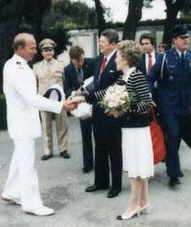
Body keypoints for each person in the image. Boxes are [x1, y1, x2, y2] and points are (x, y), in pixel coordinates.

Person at [1, 33, 78, 216]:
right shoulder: (17, 68)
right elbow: (32, 99)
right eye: (32, 47)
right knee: (27, 164)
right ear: (20, 48)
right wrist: (60, 105)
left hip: (21, 122)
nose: (36, 50)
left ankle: (10, 192)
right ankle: (31, 204)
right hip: (22, 124)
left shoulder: (17, 65)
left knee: (19, 159)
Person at [86, 40, 154, 220]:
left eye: (117, 56)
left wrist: (126, 109)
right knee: (137, 166)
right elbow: (108, 92)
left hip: (137, 129)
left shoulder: (136, 76)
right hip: (129, 128)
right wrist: (85, 96)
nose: (115, 59)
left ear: (125, 58)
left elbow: (146, 103)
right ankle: (144, 202)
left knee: (135, 168)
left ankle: (133, 206)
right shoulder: (124, 76)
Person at [149, 24, 191, 187]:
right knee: (174, 134)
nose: (186, 40)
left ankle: (171, 163)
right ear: (174, 40)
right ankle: (174, 174)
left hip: (184, 106)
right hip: (168, 106)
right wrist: (149, 95)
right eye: (182, 38)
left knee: (177, 139)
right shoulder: (164, 58)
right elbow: (151, 77)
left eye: (187, 38)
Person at [85, 29, 123, 198]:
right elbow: (97, 82)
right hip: (98, 110)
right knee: (99, 146)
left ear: (113, 44)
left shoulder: (119, 59)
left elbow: (117, 87)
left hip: (113, 110)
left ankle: (116, 185)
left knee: (114, 149)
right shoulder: (100, 58)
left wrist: (93, 95)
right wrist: (87, 94)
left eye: (102, 41)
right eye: (99, 41)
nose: (99, 44)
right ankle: (100, 182)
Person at [33, 38, 69, 161]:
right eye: (45, 50)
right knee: (46, 125)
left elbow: (66, 82)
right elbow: (35, 84)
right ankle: (48, 151)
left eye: (50, 49)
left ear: (54, 51)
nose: (48, 52)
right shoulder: (36, 67)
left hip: (58, 99)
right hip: (43, 99)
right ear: (41, 52)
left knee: (62, 124)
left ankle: (63, 149)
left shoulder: (61, 64)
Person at [64, 46, 95, 173]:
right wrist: (74, 93)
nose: (81, 63)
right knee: (85, 134)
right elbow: (66, 89)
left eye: (82, 60)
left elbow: (98, 80)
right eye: (78, 62)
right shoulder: (68, 69)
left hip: (94, 101)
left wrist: (87, 89)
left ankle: (103, 162)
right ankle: (88, 163)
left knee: (100, 135)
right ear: (72, 60)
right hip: (81, 106)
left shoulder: (92, 63)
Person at [138, 33, 160, 103]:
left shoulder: (160, 57)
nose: (144, 46)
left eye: (147, 44)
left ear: (153, 44)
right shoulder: (138, 59)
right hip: (144, 94)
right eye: (142, 44)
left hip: (160, 93)